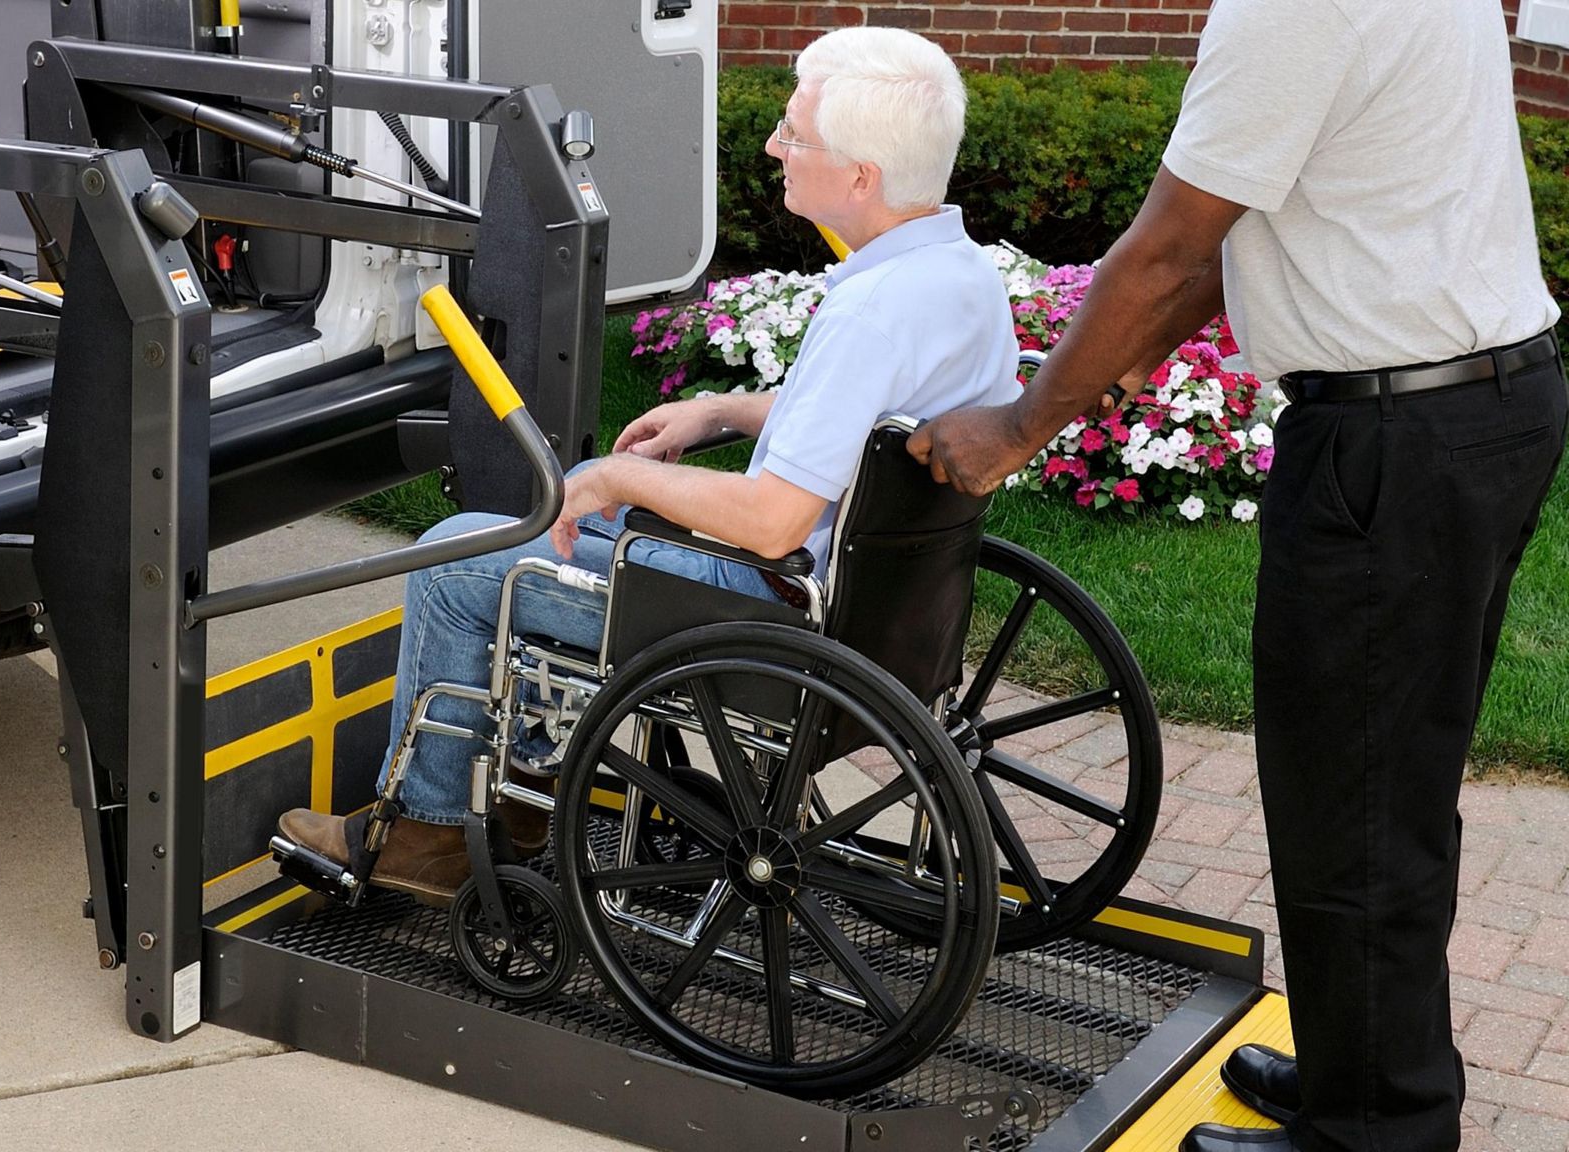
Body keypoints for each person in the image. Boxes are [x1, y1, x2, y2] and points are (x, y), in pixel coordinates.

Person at [908, 2, 1567, 1150]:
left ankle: (1373, 1132)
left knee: (1353, 801)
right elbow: (1248, 229)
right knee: (1379, 788)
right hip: (1476, 404)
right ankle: (1366, 1077)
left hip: (1392, 438)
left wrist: (1019, 425)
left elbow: (1170, 241)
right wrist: (1109, 367)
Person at [275, 25, 1021, 907]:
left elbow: (775, 522)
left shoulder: (871, 311)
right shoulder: (959, 276)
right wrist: (719, 411)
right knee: (578, 530)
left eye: (795, 134)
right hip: (877, 612)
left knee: (456, 557)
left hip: (763, 606)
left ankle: (428, 833)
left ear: (861, 176)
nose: (776, 147)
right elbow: (870, 425)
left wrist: (614, 479)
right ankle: (519, 803)